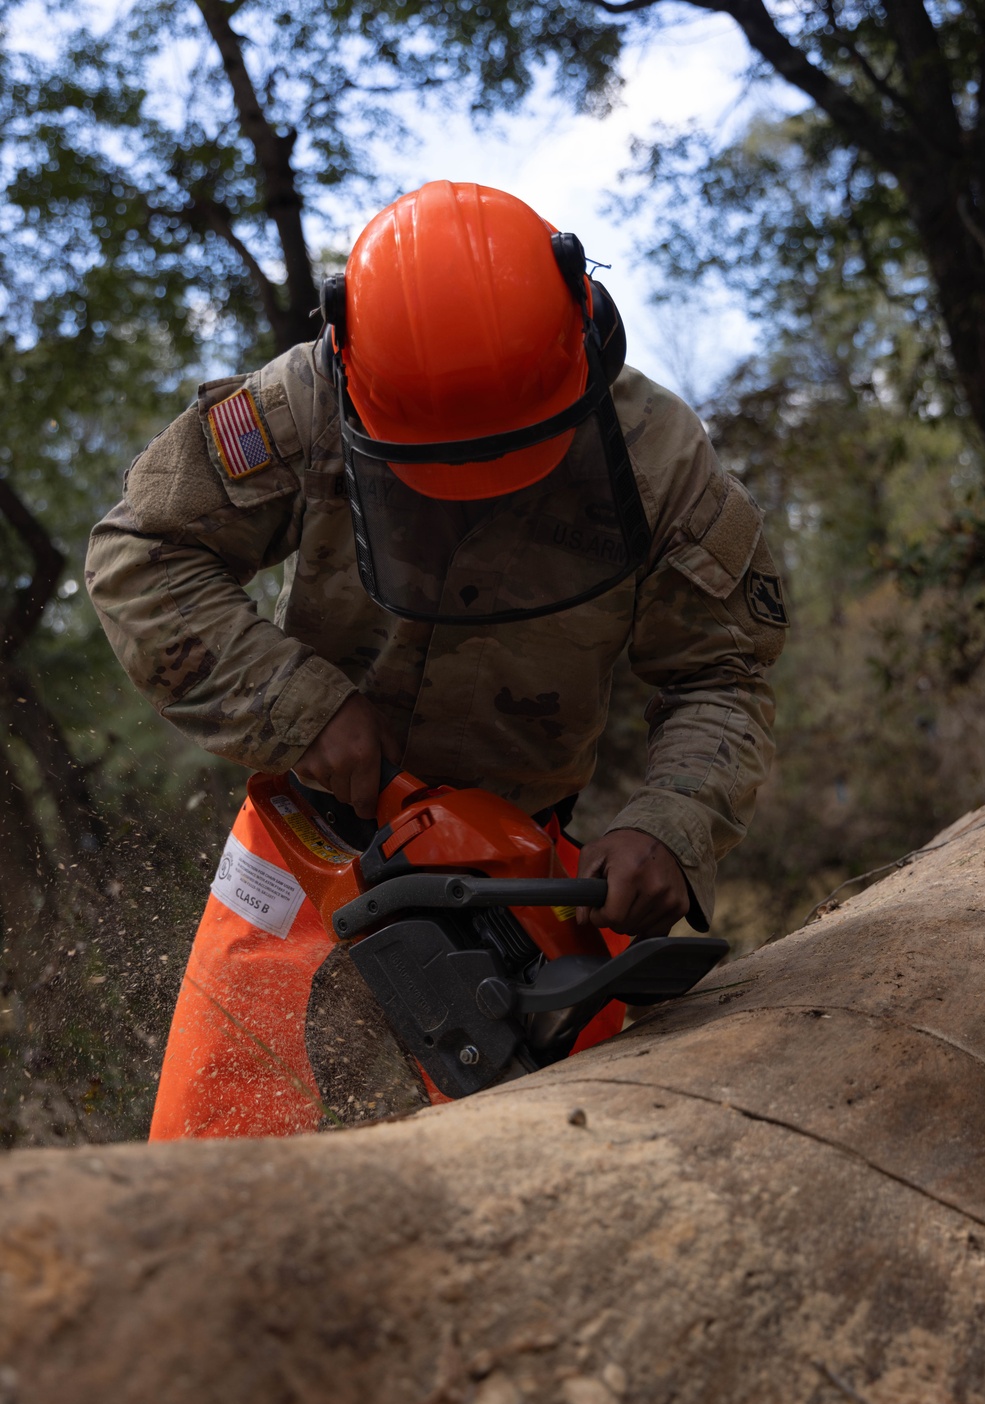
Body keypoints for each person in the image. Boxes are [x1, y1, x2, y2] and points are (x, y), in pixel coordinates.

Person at [86, 180, 788, 1140]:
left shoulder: (660, 465)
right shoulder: (299, 402)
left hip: (522, 868)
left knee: (546, 1165)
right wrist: (301, 708)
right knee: (212, 1160)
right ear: (351, 361)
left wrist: (670, 825)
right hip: (311, 831)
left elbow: (723, 671)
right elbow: (143, 552)